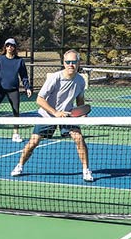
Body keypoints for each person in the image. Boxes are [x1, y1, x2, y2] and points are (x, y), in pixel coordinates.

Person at [10, 50, 93, 182]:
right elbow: (39, 99)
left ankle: (86, 170)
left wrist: (81, 113)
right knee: (33, 142)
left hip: (67, 116)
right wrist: (55, 113)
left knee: (79, 138)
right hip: (48, 115)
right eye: (68, 62)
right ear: (64, 63)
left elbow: (80, 100)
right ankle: (19, 166)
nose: (71, 65)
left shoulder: (80, 80)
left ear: (78, 63)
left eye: (74, 62)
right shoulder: (55, 78)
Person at [0, 38, 32, 142]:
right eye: (8, 45)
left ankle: (16, 134)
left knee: (16, 111)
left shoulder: (19, 61)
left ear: (15, 47)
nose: (10, 47)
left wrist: (27, 87)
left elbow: (24, 76)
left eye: (12, 45)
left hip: (13, 90)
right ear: (5, 47)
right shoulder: (0, 59)